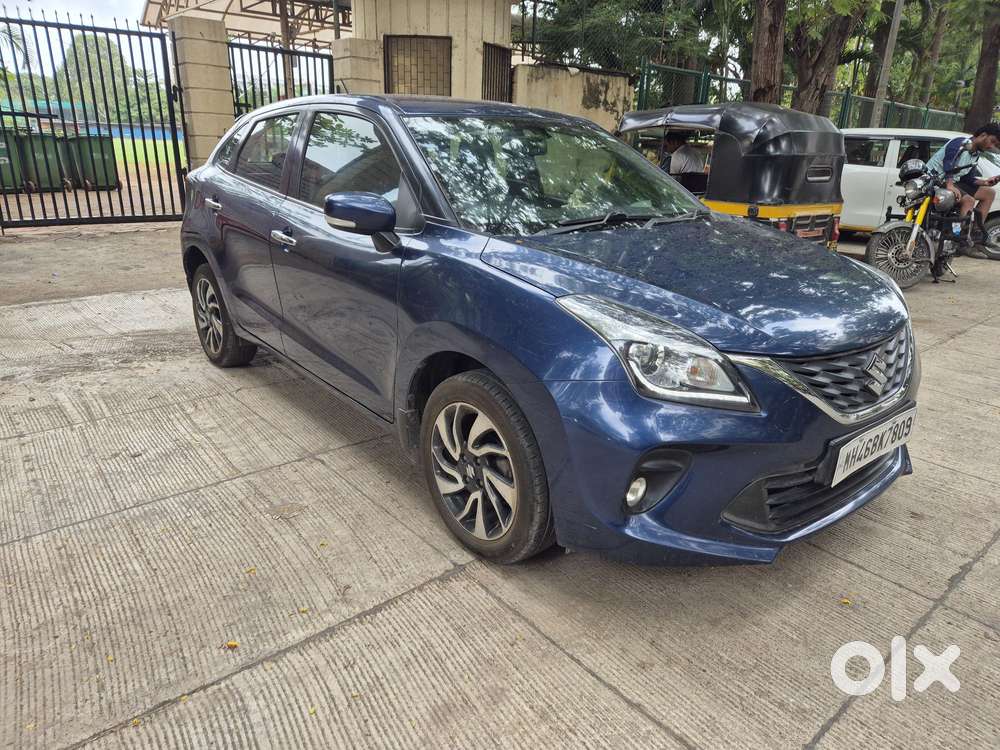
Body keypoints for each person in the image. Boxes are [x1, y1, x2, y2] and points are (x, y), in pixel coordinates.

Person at [926, 122, 1000, 245]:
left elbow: (967, 178)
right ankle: (958, 236)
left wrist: (985, 182)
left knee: (989, 193)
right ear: (983, 135)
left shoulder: (975, 154)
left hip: (951, 183)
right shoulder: (961, 143)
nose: (991, 146)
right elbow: (949, 163)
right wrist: (950, 185)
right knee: (969, 200)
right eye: (992, 141)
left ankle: (975, 232)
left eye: (995, 145)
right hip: (936, 180)